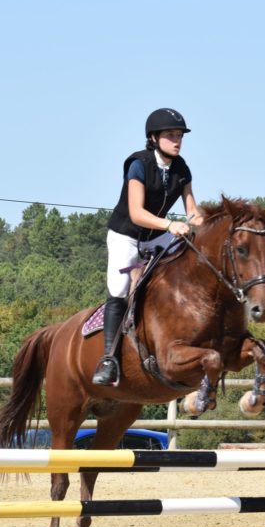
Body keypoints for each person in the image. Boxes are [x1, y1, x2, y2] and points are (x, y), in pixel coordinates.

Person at [92, 107, 203, 386]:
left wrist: (211, 225)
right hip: (126, 235)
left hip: (156, 236)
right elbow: (136, 213)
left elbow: (193, 211)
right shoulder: (138, 164)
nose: (177, 140)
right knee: (119, 289)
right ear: (153, 138)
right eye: (171, 135)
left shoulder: (182, 168)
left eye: (179, 135)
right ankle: (109, 358)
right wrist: (170, 225)